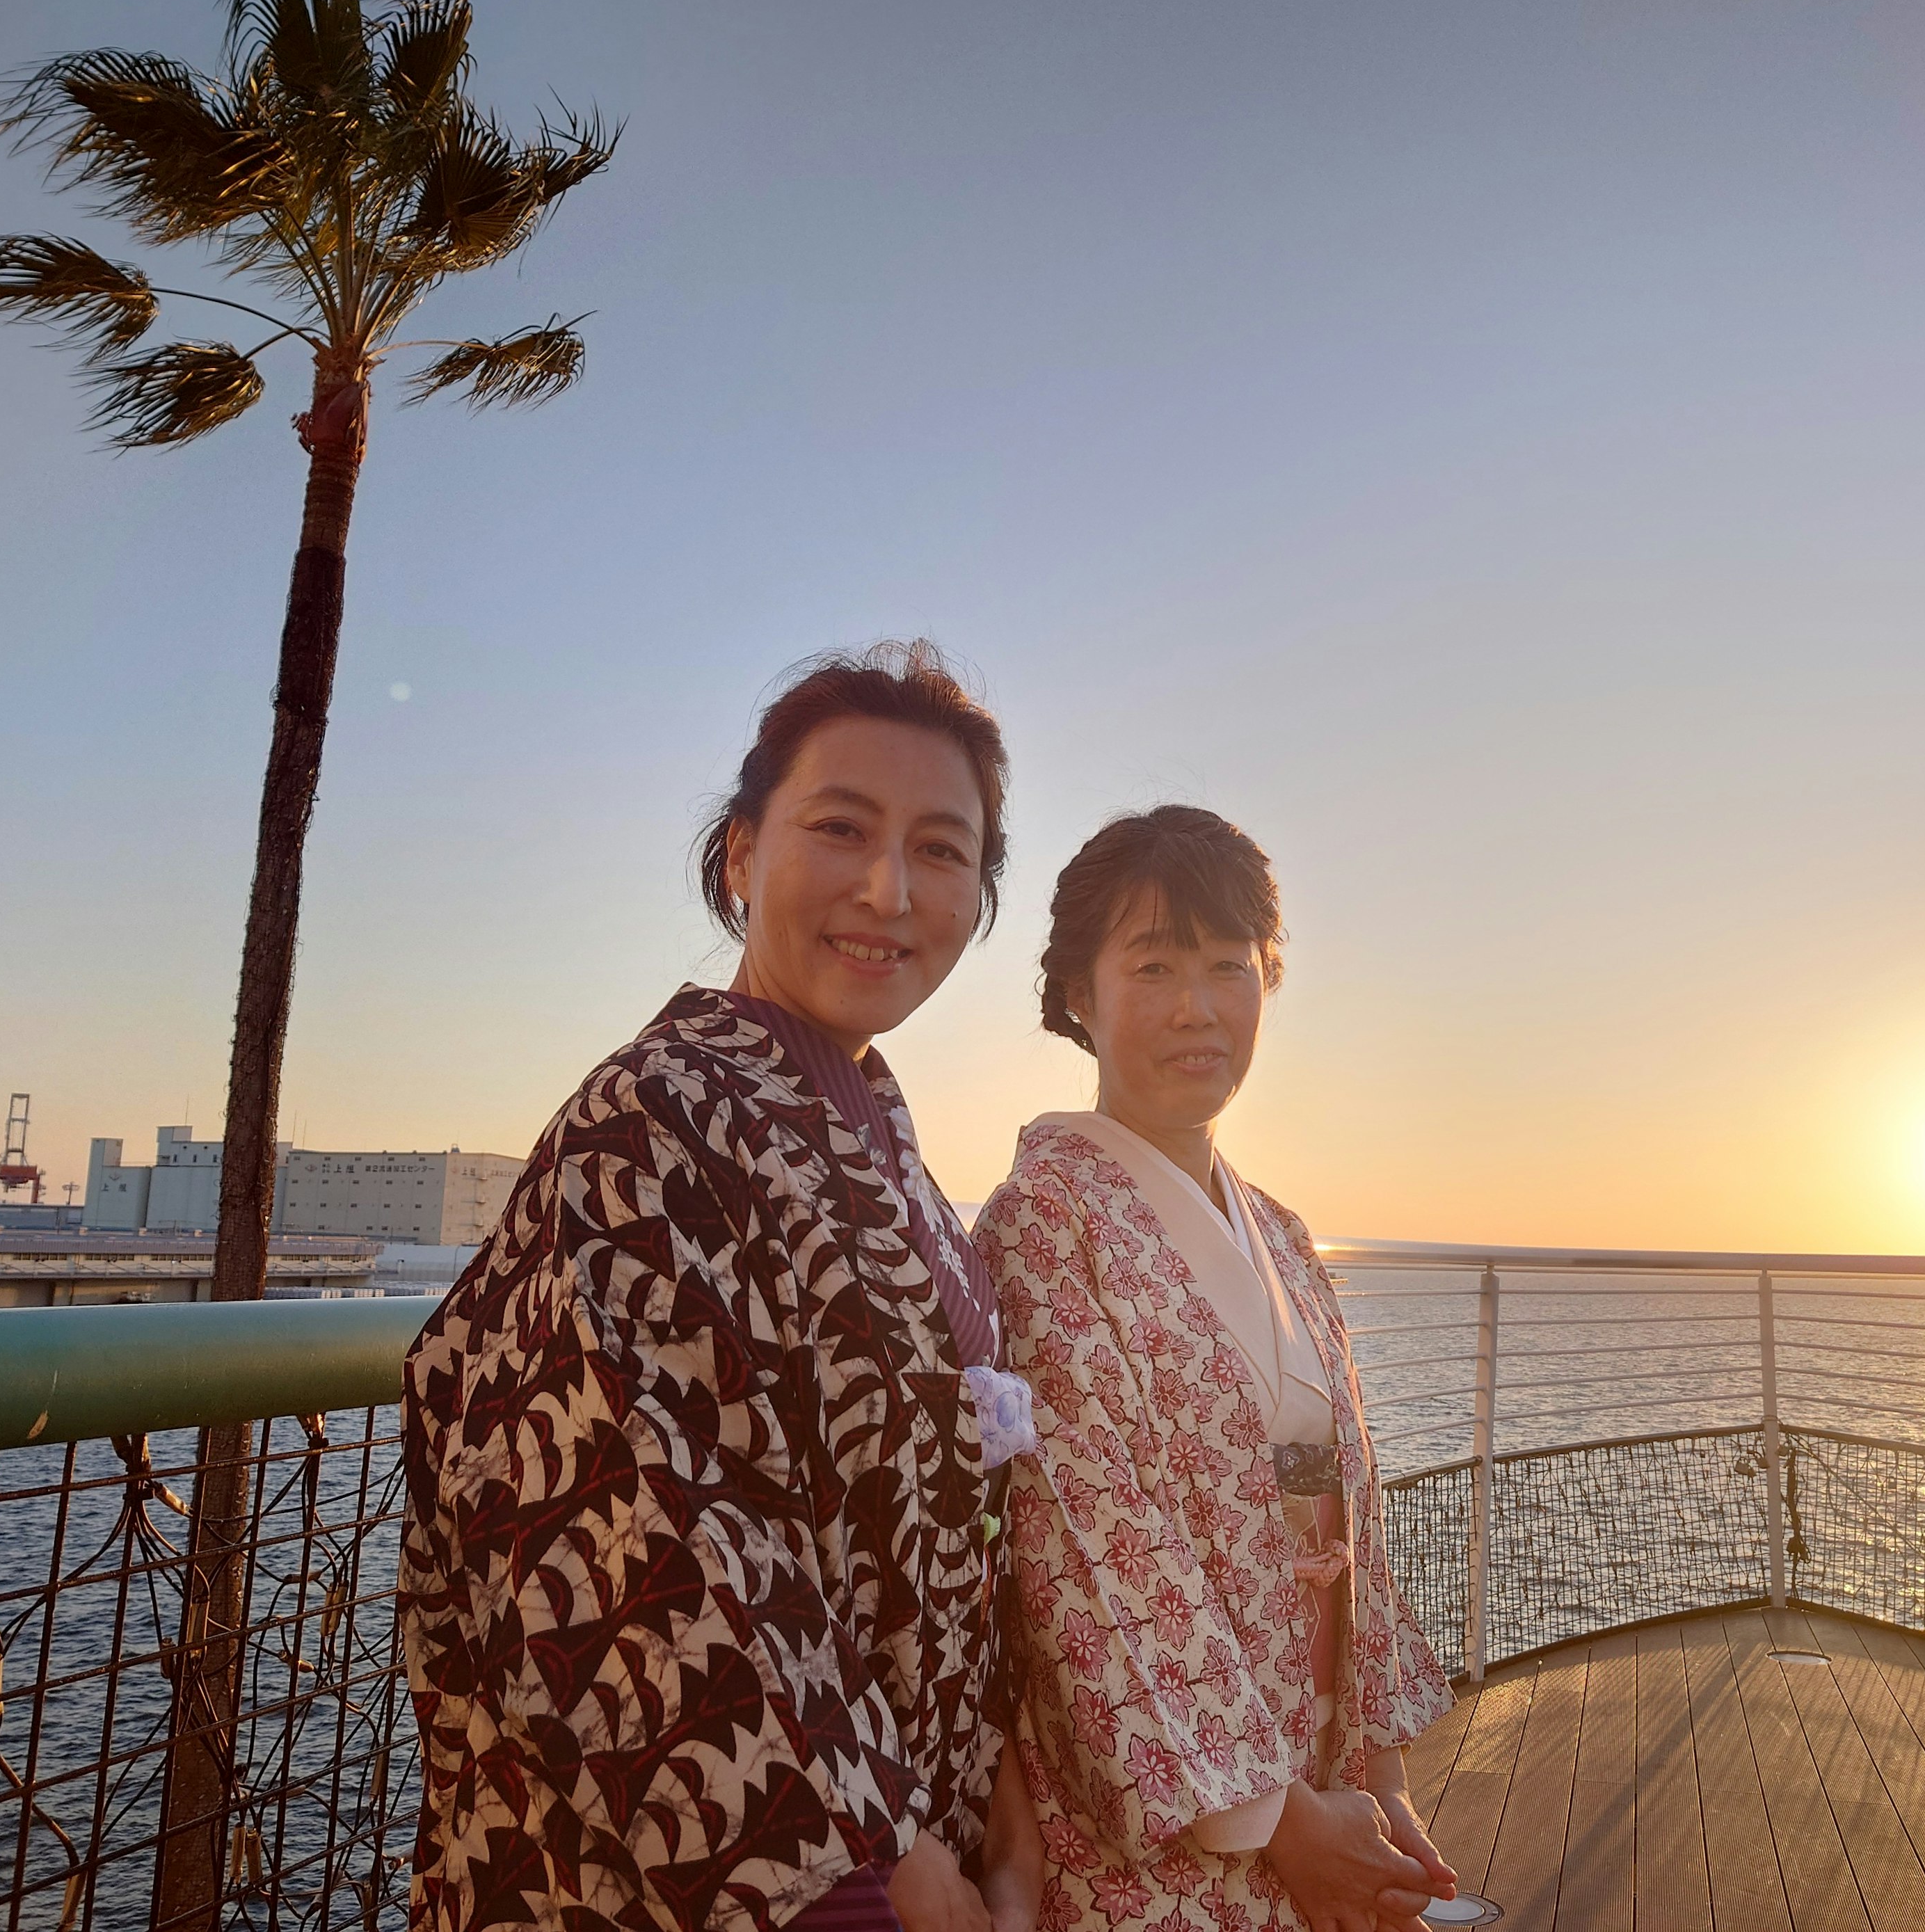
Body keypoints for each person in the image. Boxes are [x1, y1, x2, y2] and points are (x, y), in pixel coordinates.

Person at [401, 644, 1043, 1932]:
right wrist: (897, 1876)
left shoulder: (880, 1131)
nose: (887, 888)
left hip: (936, 1842)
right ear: (742, 854)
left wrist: (1004, 1806)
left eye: (941, 849)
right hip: (723, 1886)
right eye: (840, 828)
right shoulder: (651, 1119)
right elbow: (640, 1543)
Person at [973, 807, 1457, 1932]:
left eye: (1228, 968)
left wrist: (1377, 1786)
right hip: (1172, 1820)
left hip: (1319, 1770)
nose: (1197, 1007)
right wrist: (1284, 1821)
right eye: (1153, 966)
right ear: (1079, 997)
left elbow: (1355, 1510)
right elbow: (1086, 1546)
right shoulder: (1042, 1226)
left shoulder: (1284, 1234)